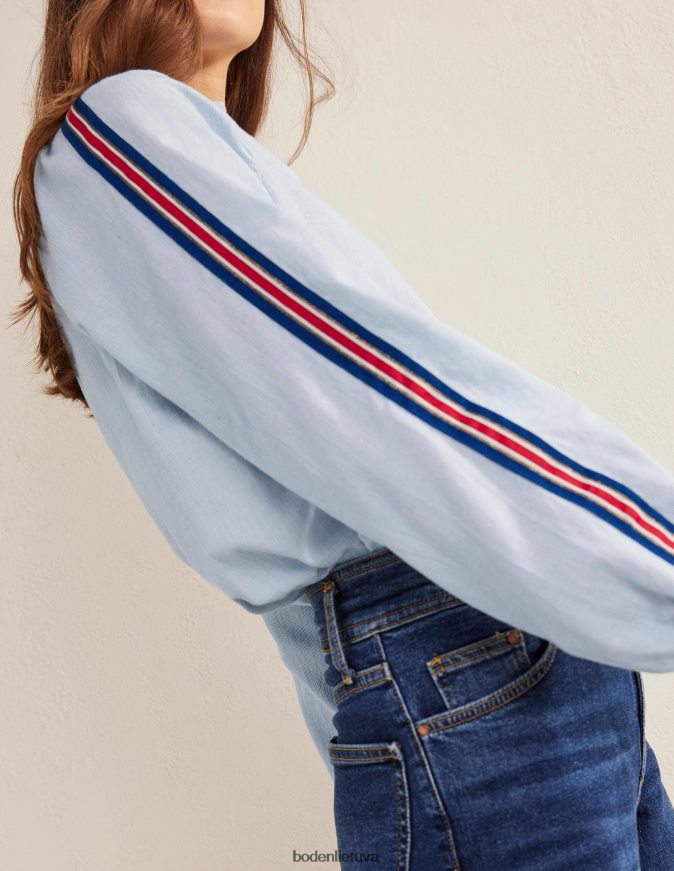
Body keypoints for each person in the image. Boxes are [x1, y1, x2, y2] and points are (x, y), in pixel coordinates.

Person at [12, 0, 674, 866]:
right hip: (477, 668)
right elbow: (396, 403)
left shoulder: (190, 157)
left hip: (503, 670)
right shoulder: (119, 126)